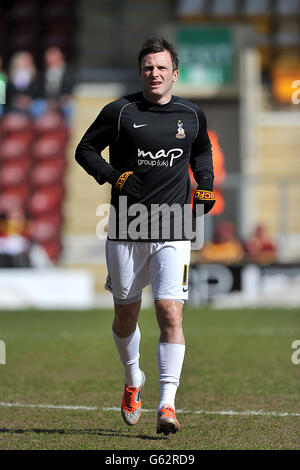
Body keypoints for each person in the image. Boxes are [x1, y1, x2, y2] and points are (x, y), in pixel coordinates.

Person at [75, 37, 215, 435]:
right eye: (147, 68)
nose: (154, 73)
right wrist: (113, 175)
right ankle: (133, 379)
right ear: (141, 73)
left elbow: (201, 152)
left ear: (175, 72)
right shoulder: (120, 111)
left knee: (170, 313)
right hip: (126, 226)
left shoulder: (192, 114)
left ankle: (167, 405)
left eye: (161, 67)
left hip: (175, 226)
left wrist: (204, 183)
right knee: (125, 315)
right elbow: (85, 150)